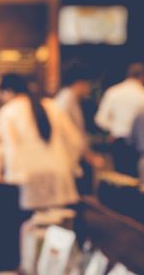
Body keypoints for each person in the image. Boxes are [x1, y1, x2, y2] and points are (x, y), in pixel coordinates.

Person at [0, 74, 85, 210]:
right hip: (59, 172)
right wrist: (71, 165)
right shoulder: (52, 105)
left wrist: (12, 177)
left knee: (36, 220)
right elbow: (75, 141)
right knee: (58, 218)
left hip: (29, 176)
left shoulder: (8, 111)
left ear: (8, 91)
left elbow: (11, 149)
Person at [95, 63, 144, 175]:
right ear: (143, 77)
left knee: (120, 176)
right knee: (137, 177)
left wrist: (114, 128)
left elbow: (100, 119)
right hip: (139, 144)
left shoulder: (113, 92)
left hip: (118, 140)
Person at [55, 64, 104, 193]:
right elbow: (70, 135)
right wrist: (89, 156)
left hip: (71, 159)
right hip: (68, 160)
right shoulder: (66, 101)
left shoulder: (69, 99)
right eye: (88, 83)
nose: (89, 88)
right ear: (80, 83)